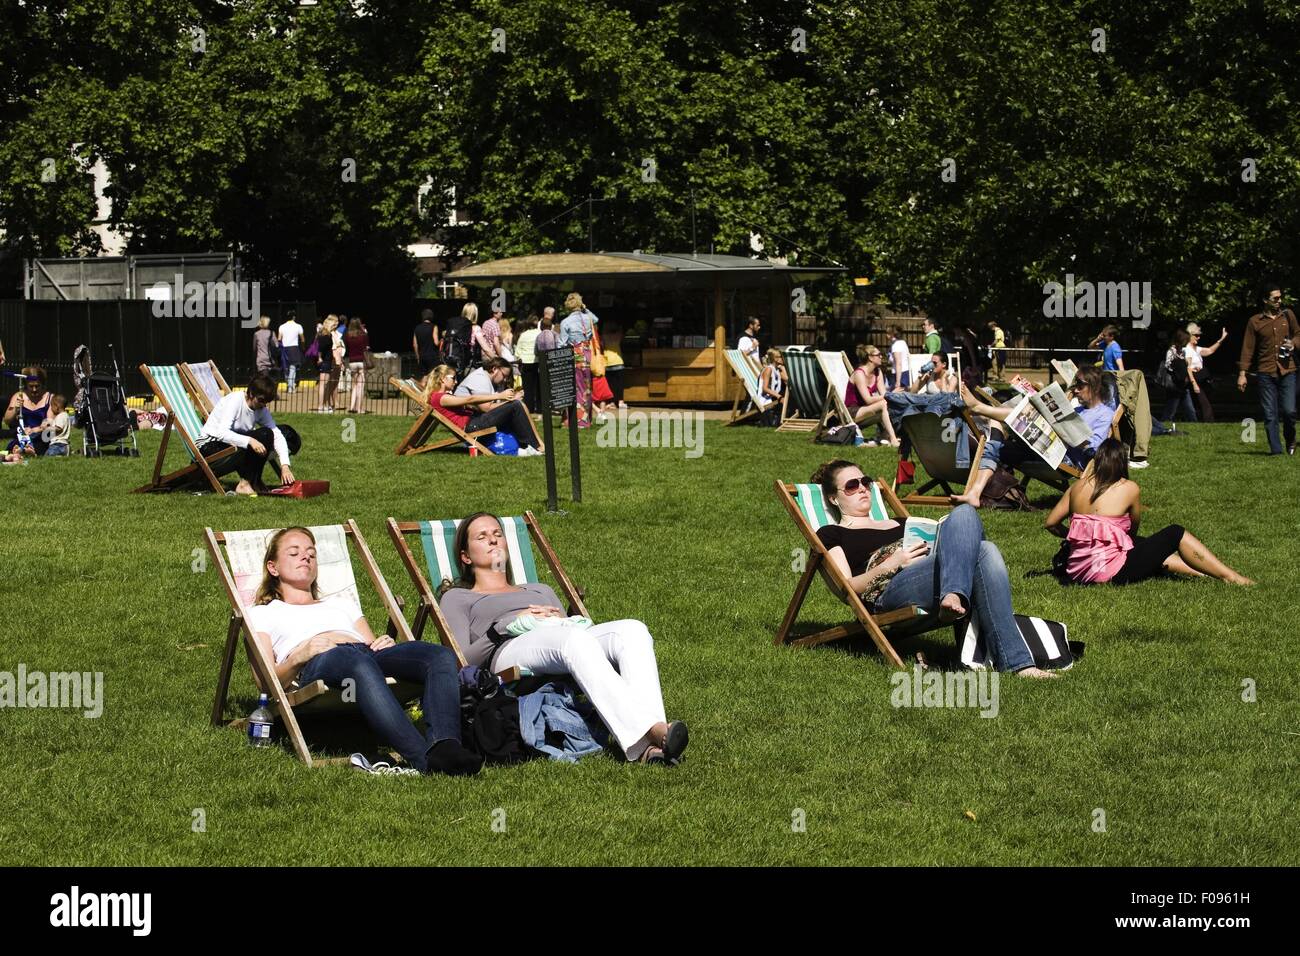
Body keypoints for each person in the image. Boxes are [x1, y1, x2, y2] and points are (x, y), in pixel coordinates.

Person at [439, 513, 689, 763]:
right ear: (466, 556)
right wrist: (505, 626)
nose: (493, 540)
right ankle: (652, 732)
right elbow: (461, 660)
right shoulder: (459, 598)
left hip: (558, 640)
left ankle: (652, 749)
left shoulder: (539, 589)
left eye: (497, 534)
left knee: (632, 630)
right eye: (482, 537)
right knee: (572, 640)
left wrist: (562, 621)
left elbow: (567, 633)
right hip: (507, 650)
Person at [244, 527, 481, 776]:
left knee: (438, 656)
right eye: (294, 553)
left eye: (311, 554)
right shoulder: (262, 613)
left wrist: (383, 643)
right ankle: (425, 760)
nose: (306, 557)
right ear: (273, 567)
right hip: (319, 662)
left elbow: (369, 647)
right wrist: (299, 656)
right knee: (356, 660)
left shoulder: (341, 603)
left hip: (364, 655)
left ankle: (446, 746)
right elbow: (264, 682)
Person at [812, 460, 1057, 677]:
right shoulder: (833, 533)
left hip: (930, 575)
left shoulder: (900, 522)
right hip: (888, 591)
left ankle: (956, 598)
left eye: (865, 481)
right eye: (852, 486)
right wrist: (891, 564)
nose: (863, 488)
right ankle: (1017, 663)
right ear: (834, 498)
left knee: (966, 516)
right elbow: (846, 587)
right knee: (985, 551)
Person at [1045, 439, 1252, 586]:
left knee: (1146, 545)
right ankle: (1230, 576)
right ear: (1121, 463)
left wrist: (1078, 537)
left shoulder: (1076, 488)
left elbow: (1051, 523)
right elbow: (1132, 530)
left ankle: (1202, 573)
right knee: (1174, 533)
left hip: (1078, 572)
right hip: (1110, 573)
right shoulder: (1129, 488)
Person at [952, 366, 1118, 507]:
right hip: (1046, 450)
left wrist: (1074, 436)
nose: (1075, 389)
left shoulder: (1105, 414)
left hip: (1065, 460)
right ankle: (975, 492)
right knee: (998, 428)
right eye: (1075, 384)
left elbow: (1097, 448)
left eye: (1080, 385)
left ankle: (979, 408)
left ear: (1095, 387)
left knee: (1014, 417)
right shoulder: (1078, 410)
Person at [198, 374, 301, 495]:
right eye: (261, 400)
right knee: (264, 434)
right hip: (208, 446)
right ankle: (245, 483)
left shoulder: (260, 409)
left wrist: (285, 466)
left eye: (267, 402)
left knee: (279, 432)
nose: (263, 405)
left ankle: (253, 481)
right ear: (251, 394)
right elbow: (222, 433)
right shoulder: (235, 400)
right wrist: (250, 441)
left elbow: (276, 434)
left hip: (231, 444)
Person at [425, 364, 542, 455]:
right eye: (453, 378)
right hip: (471, 426)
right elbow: (470, 399)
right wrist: (499, 396)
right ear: (442, 379)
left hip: (474, 421)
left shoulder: (441, 397)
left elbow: (470, 404)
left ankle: (527, 446)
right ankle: (536, 446)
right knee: (515, 406)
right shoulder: (439, 397)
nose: (456, 381)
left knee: (512, 407)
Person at [1237, 284, 1298, 456]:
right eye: (1275, 298)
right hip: (1265, 372)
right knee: (1270, 414)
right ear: (1265, 300)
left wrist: (1293, 343)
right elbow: (1247, 348)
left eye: (1280, 297)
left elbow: (1298, 334)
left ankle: (1290, 439)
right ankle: (1276, 451)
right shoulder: (1255, 321)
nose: (1280, 301)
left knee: (1289, 410)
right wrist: (1242, 374)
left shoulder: (1288, 315)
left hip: (1288, 370)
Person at [558, 292, 598, 427]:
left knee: (577, 387)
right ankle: (587, 419)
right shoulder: (587, 318)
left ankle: (580, 421)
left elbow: (562, 343)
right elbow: (596, 319)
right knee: (587, 387)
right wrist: (585, 308)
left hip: (575, 355)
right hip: (587, 353)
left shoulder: (565, 322)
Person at [846, 344, 899, 445]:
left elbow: (884, 394)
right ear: (870, 357)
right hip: (853, 412)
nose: (881, 356)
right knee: (883, 403)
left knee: (891, 402)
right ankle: (893, 439)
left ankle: (884, 435)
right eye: (878, 355)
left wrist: (893, 396)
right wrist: (890, 395)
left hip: (866, 409)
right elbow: (868, 399)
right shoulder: (859, 374)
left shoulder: (877, 372)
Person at [4, 366, 52, 458]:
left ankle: (28, 452)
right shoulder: (19, 396)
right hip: (23, 435)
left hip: (41, 435)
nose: (34, 389)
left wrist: (35, 430)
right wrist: (16, 409)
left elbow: (50, 423)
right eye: (31, 386)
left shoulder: (49, 398)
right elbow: (7, 420)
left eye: (37, 386)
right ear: (26, 385)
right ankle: (20, 451)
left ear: (42, 384)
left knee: (45, 437)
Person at [1185, 322, 1228, 422]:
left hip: (1201, 379)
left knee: (1200, 402)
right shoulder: (1188, 350)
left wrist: (1221, 339)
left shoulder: (1196, 349)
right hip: (1194, 379)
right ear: (1189, 335)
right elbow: (1188, 368)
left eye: (1199, 335)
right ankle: (1208, 421)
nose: (1198, 337)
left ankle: (1199, 421)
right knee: (1204, 404)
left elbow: (1210, 351)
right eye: (1196, 335)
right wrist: (1194, 384)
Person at [1159, 329, 1197, 426]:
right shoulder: (1171, 351)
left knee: (1190, 409)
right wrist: (1178, 370)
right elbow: (1168, 366)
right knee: (1171, 409)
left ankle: (1194, 423)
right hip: (1174, 385)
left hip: (1183, 384)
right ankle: (1164, 424)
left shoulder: (1183, 351)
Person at [315, 317, 343, 413]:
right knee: (324, 384)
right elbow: (320, 349)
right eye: (333, 325)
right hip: (325, 362)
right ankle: (321, 406)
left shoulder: (323, 334)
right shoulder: (326, 336)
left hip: (326, 361)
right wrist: (320, 358)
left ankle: (324, 406)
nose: (334, 327)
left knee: (324, 384)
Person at [343, 317, 370, 415]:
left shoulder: (347, 335)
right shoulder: (363, 335)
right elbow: (366, 348)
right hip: (361, 361)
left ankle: (352, 407)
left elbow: (346, 347)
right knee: (361, 386)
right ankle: (359, 409)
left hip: (352, 362)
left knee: (354, 385)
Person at [516, 314, 541, 411]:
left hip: (526, 363)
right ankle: (540, 408)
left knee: (527, 387)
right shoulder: (540, 333)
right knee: (539, 386)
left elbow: (518, 351)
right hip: (537, 362)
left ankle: (529, 408)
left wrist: (518, 360)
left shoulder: (523, 335)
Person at [443, 303, 476, 378]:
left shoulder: (455, 325)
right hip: (465, 362)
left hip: (450, 358)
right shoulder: (475, 328)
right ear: (474, 314)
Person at [758, 348, 787, 426]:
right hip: (767, 400)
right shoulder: (768, 369)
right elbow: (765, 388)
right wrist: (779, 397)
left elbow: (788, 381)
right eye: (781, 356)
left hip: (774, 397)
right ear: (775, 358)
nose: (782, 358)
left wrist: (783, 368)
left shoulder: (777, 370)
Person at [277, 313, 305, 392]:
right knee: (293, 368)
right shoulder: (298, 326)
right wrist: (303, 347)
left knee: (286, 368)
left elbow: (279, 339)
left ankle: (290, 385)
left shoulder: (281, 326)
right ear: (294, 317)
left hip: (284, 348)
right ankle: (290, 386)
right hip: (294, 348)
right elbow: (302, 339)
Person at [602, 322, 627, 410]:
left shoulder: (603, 336)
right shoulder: (618, 335)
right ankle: (620, 402)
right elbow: (622, 333)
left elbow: (602, 346)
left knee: (610, 385)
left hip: (607, 362)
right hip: (618, 361)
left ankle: (612, 402)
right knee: (619, 384)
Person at [412, 308, 441, 386]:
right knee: (432, 377)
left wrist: (418, 357)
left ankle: (422, 393)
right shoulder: (434, 327)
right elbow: (436, 342)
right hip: (432, 357)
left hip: (422, 357)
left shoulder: (417, 328)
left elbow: (415, 345)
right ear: (431, 317)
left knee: (425, 376)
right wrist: (442, 340)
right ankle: (426, 394)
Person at [888, 325, 912, 392]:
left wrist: (898, 381)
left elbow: (899, 363)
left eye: (888, 333)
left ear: (892, 334)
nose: (886, 335)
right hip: (905, 372)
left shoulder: (896, 345)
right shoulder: (902, 342)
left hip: (900, 374)